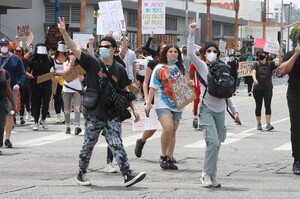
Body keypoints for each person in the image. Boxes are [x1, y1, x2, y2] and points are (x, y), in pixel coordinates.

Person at [57, 17, 146, 187]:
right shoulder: (92, 62)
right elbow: (74, 48)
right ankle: (81, 173)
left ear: (114, 49)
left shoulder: (119, 69)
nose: (103, 49)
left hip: (112, 111)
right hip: (94, 111)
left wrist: (134, 109)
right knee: (89, 144)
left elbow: (125, 91)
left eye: (107, 47)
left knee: (116, 142)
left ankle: (127, 174)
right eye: (101, 47)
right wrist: (63, 32)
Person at [188, 23, 241, 188]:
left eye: (214, 51)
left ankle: (212, 175)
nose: (211, 53)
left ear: (218, 54)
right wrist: (191, 33)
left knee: (218, 142)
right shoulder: (202, 66)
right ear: (204, 54)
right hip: (206, 110)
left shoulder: (222, 68)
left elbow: (227, 94)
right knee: (213, 142)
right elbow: (190, 53)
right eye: (208, 51)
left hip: (220, 112)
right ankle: (205, 175)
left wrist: (235, 112)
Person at [145, 44, 189, 170]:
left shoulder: (180, 67)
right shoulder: (159, 68)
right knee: (168, 128)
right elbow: (153, 86)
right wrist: (148, 102)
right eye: (170, 51)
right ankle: (163, 156)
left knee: (173, 130)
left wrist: (190, 84)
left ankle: (170, 157)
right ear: (165, 53)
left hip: (178, 103)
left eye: (175, 52)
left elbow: (184, 85)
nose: (173, 54)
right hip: (162, 102)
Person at [280, 35, 300, 174]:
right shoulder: (290, 55)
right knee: (297, 127)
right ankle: (297, 159)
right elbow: (283, 70)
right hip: (295, 95)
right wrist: (296, 55)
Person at [0, 38, 25, 148]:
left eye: (5, 44)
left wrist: (18, 84)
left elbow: (22, 73)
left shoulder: (16, 59)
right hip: (1, 90)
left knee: (10, 113)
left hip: (12, 90)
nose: (3, 46)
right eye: (1, 45)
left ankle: (7, 138)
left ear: (9, 46)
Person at [252, 49, 282, 131]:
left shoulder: (270, 64)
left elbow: (279, 63)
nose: (260, 55)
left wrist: (279, 54)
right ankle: (259, 123)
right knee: (258, 106)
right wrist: (254, 79)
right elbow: (253, 72)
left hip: (268, 88)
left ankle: (268, 124)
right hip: (257, 89)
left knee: (267, 105)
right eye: (259, 54)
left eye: (262, 54)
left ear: (266, 55)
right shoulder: (256, 64)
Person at [27, 43, 53, 131]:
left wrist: (53, 71)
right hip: (35, 83)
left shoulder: (49, 60)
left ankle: (43, 119)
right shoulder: (32, 60)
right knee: (36, 103)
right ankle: (35, 122)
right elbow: (27, 71)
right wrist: (29, 75)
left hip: (46, 82)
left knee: (46, 102)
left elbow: (53, 69)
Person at [62, 51, 83, 135]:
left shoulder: (79, 65)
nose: (72, 55)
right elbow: (66, 72)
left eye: (73, 54)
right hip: (67, 89)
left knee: (77, 107)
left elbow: (82, 78)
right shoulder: (65, 63)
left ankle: (77, 126)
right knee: (67, 109)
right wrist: (71, 62)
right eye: (70, 54)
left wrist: (78, 74)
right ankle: (67, 126)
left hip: (77, 89)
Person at [0, 64, 18, 153]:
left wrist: (14, 105)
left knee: (1, 123)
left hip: (2, 101)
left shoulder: (4, 73)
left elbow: (8, 89)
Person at [52, 41, 68, 124]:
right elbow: (51, 70)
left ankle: (65, 115)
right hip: (56, 80)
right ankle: (58, 116)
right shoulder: (53, 59)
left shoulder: (68, 58)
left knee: (65, 98)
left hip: (66, 80)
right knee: (57, 98)